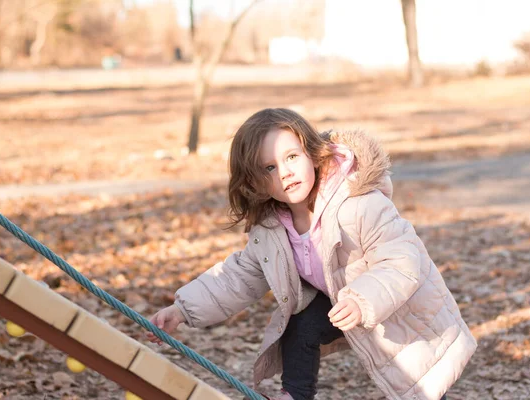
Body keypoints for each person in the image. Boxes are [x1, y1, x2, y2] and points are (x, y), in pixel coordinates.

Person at [146, 108, 477, 400]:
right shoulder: (273, 228)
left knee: (419, 376)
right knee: (300, 323)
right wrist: (182, 309)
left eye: (292, 157)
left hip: (404, 306)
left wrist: (362, 300)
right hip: (339, 298)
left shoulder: (358, 202)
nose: (286, 172)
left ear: (312, 153)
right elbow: (238, 277)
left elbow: (402, 261)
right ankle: (295, 394)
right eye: (269, 168)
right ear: (255, 183)